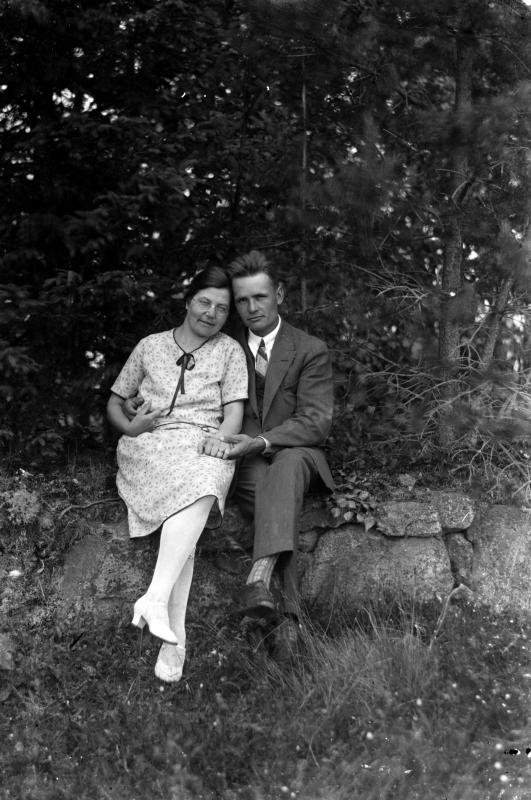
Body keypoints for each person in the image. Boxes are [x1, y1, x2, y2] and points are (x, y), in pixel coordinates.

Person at [107, 266, 248, 683]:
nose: (211, 313)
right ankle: (174, 636)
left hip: (204, 441)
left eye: (221, 308)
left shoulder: (230, 351)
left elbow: (234, 411)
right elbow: (115, 401)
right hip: (151, 443)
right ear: (188, 301)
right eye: (204, 302)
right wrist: (131, 426)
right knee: (192, 499)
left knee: (204, 483)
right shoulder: (150, 346)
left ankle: (157, 605)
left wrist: (220, 439)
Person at [209, 250, 335, 661]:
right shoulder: (224, 350)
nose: (252, 307)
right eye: (242, 300)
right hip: (245, 462)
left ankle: (259, 574)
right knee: (270, 493)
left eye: (260, 297)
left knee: (287, 464)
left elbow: (315, 422)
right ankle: (288, 622)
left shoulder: (309, 349)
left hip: (299, 455)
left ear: (278, 294)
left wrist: (261, 441)